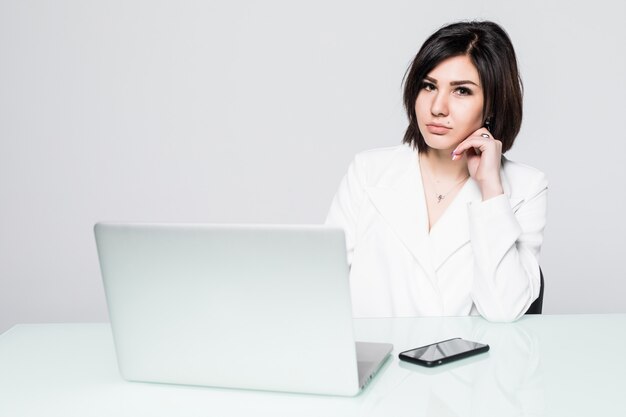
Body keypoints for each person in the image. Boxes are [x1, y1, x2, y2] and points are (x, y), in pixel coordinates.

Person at [325, 21, 547, 322]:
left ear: (492, 105)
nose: (437, 107)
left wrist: (491, 190)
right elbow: (323, 288)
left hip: (468, 365)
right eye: (429, 86)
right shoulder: (368, 172)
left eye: (462, 91)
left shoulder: (525, 187)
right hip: (373, 359)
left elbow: (504, 310)